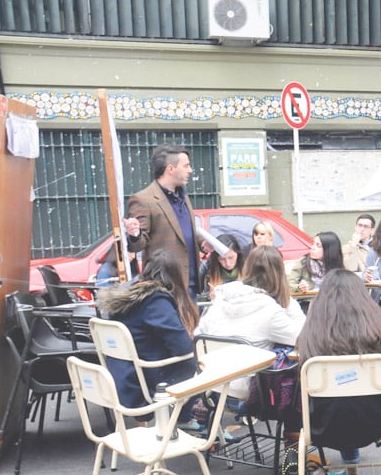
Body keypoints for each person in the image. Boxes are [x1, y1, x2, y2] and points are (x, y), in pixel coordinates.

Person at [296, 269, 381, 465]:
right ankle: (351, 460)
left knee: (342, 392)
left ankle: (346, 460)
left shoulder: (311, 336)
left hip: (320, 426)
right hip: (376, 424)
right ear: (362, 299)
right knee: (355, 393)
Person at [196, 245, 306, 399]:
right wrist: (291, 304)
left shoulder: (221, 299)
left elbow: (198, 334)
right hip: (247, 390)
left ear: (247, 268)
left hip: (209, 383)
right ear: (280, 275)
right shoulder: (269, 311)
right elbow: (303, 337)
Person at [96, 249, 199, 409]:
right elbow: (183, 348)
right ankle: (185, 417)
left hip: (121, 376)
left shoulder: (129, 296)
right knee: (200, 364)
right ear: (175, 276)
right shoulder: (155, 301)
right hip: (145, 380)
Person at [123, 143, 203, 296]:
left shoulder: (184, 196)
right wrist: (134, 234)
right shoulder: (143, 199)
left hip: (191, 285)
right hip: (164, 287)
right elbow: (138, 246)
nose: (190, 170)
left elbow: (181, 232)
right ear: (170, 169)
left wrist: (201, 243)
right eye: (186, 166)